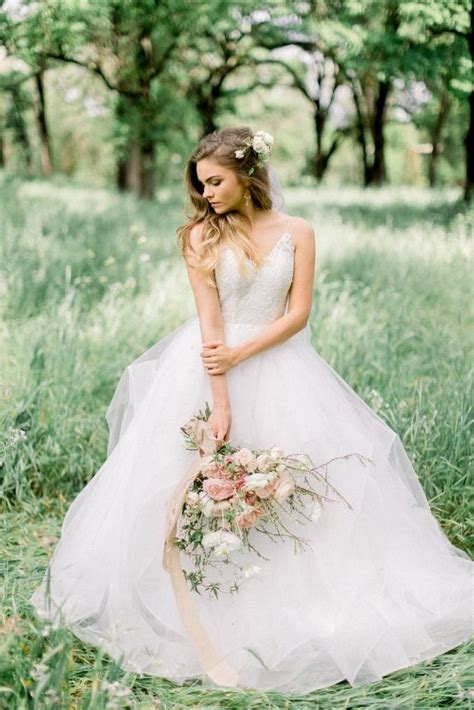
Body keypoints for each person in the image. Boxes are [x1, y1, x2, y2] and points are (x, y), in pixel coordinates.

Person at [30, 126, 473, 695]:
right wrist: (220, 399)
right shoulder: (200, 237)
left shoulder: (299, 232)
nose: (207, 193)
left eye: (215, 181)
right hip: (209, 368)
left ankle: (313, 600)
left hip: (284, 362)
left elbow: (298, 314)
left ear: (248, 174)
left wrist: (244, 351)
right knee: (198, 483)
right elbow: (210, 326)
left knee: (305, 485)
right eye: (201, 185)